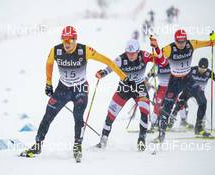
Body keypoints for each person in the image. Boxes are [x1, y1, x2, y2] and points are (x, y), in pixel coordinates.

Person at [19, 26, 134, 162]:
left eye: (69, 40)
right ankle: (37, 145)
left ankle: (77, 146)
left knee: (78, 116)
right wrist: (48, 83)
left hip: (80, 89)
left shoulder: (84, 50)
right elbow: (49, 63)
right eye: (64, 40)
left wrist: (123, 77)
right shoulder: (56, 50)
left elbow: (107, 61)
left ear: (75, 39)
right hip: (63, 89)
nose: (66, 43)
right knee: (48, 115)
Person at [95, 39, 164, 151]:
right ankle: (103, 140)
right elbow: (111, 66)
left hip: (140, 87)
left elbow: (161, 61)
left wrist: (156, 48)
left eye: (133, 53)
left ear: (138, 51)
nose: (130, 56)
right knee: (110, 115)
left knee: (144, 113)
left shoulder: (144, 55)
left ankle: (141, 140)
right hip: (124, 88)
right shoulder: (121, 58)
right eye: (128, 53)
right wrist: (102, 73)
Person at [149, 29, 215, 143]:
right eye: (178, 42)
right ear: (175, 40)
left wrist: (212, 39)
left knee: (203, 101)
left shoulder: (191, 44)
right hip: (174, 81)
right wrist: (155, 47)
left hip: (188, 78)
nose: (181, 44)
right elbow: (158, 57)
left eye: (183, 41)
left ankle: (199, 128)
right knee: (167, 107)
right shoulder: (170, 48)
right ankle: (161, 135)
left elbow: (210, 43)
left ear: (186, 39)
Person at [169, 58, 215, 128]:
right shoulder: (192, 70)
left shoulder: (209, 73)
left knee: (203, 105)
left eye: (204, 69)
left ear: (206, 68)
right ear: (198, 66)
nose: (202, 70)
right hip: (188, 90)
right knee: (179, 104)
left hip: (199, 92)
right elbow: (182, 75)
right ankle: (170, 122)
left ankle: (200, 124)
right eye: (200, 68)